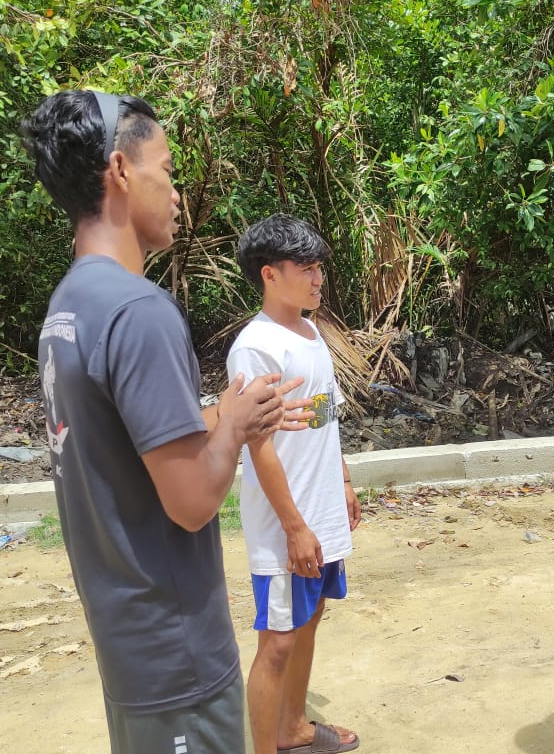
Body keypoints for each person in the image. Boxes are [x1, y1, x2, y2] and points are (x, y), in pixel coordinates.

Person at [22, 90, 312, 754]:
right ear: (120, 172)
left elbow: (122, 444)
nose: (176, 191)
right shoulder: (140, 310)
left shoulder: (70, 304)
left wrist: (224, 413)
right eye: (167, 168)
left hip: (129, 644)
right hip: (176, 653)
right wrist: (234, 428)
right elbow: (191, 502)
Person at [226, 214, 362, 754]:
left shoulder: (310, 332)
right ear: (269, 275)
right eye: (305, 269)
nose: (317, 279)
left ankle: (294, 728)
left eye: (319, 268)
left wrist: (345, 482)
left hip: (320, 511)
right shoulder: (256, 348)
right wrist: (294, 526)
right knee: (278, 640)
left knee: (310, 618)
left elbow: (328, 417)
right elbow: (257, 447)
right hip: (286, 525)